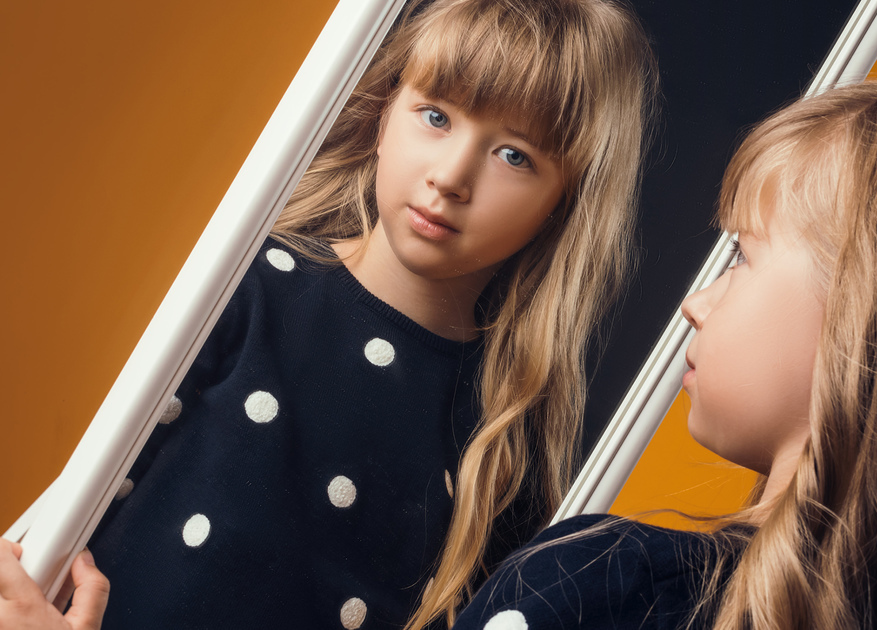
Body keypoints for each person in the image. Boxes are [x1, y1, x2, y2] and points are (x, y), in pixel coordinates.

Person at [6, 76, 877, 629]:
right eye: (434, 115)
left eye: (745, 255)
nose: (698, 305)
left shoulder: (604, 584)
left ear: (876, 325)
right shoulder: (260, 299)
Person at [0, 1, 657, 629]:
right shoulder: (245, 291)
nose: (451, 176)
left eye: (515, 156)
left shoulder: (503, 443)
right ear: (382, 115)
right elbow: (66, 523)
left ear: (563, 205)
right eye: (435, 115)